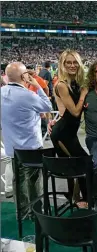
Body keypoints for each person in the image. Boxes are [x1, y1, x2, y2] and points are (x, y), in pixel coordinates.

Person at [49, 59, 97, 212]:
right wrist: (54, 122)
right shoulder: (86, 93)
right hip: (95, 139)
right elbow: (72, 112)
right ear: (92, 75)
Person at [1, 62, 52, 217]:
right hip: (30, 147)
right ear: (24, 76)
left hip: (12, 147)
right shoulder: (29, 95)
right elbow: (48, 106)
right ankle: (36, 213)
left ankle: (21, 212)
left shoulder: (2, 92)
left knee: (18, 181)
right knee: (34, 183)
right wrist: (36, 84)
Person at [50, 49, 89, 208]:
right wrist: (83, 95)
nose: (72, 65)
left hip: (69, 133)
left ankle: (75, 197)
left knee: (76, 165)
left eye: (75, 62)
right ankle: (83, 201)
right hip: (62, 134)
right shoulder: (61, 84)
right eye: (68, 63)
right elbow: (74, 111)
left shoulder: (77, 83)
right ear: (63, 65)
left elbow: (63, 111)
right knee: (82, 163)